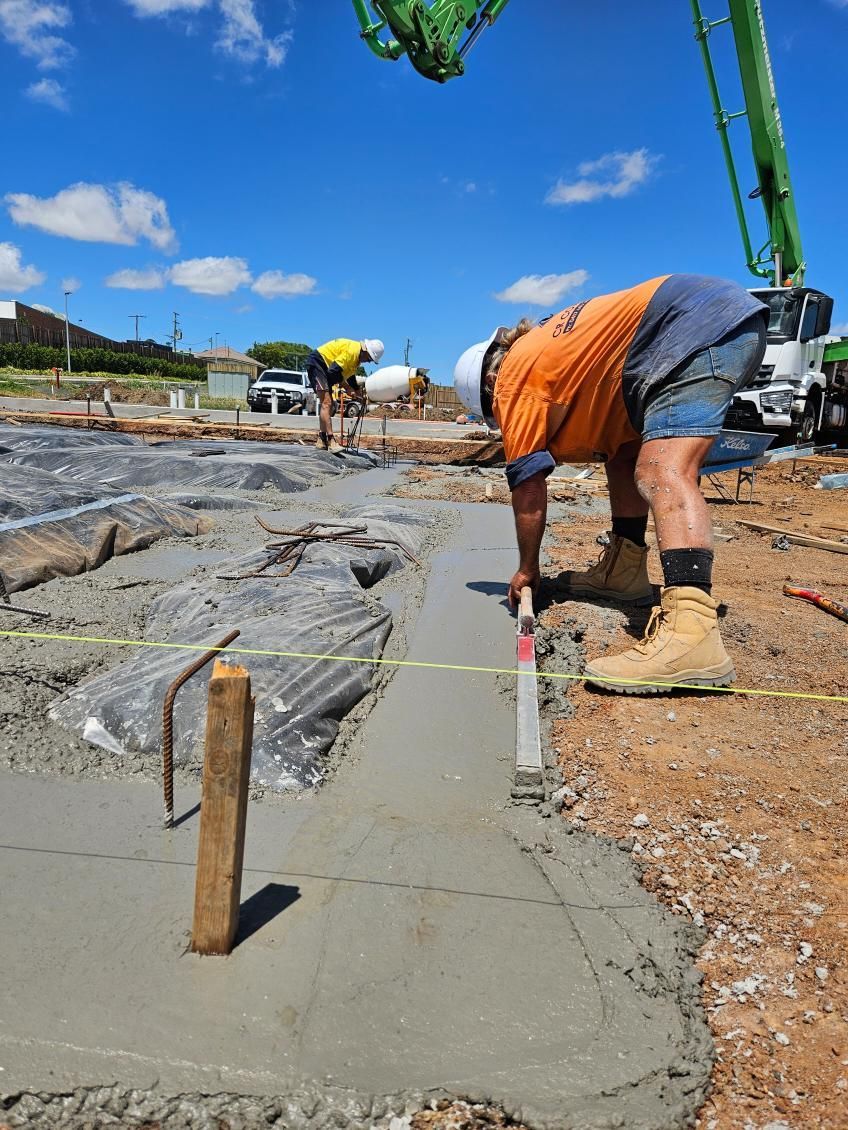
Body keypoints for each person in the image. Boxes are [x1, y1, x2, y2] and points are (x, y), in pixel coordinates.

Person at [454, 274, 768, 694]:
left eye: (496, 415)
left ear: (489, 386)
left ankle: (692, 632)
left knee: (662, 469)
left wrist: (528, 568)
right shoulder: (551, 353)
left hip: (694, 327)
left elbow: (528, 486)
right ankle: (624, 571)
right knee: (623, 454)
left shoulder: (512, 378)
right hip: (713, 320)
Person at [304, 338, 384, 452]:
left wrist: (357, 391)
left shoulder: (356, 358)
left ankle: (321, 439)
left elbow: (350, 376)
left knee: (328, 404)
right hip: (318, 363)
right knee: (327, 403)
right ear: (365, 351)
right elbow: (333, 371)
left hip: (326, 367)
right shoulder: (352, 352)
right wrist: (347, 387)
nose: (369, 362)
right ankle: (331, 441)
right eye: (369, 358)